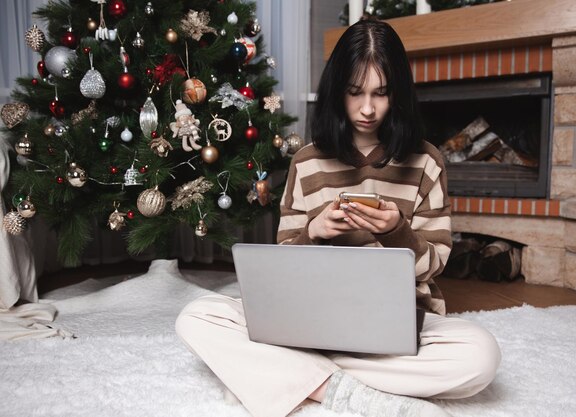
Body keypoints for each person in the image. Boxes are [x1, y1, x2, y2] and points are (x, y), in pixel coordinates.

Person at [176, 18, 501, 417]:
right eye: (355, 93)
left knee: (481, 356)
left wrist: (398, 231)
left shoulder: (426, 162)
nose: (367, 108)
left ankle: (290, 376)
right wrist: (314, 231)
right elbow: (284, 271)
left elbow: (433, 265)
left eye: (381, 94)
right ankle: (343, 389)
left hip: (399, 328)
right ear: (336, 92)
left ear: (398, 93)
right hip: (310, 325)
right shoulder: (307, 162)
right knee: (196, 317)